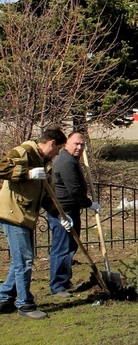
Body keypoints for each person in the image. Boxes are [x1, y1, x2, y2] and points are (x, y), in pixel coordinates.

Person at [0, 125, 68, 319]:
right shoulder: (25, 151)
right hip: (13, 213)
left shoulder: (44, 162)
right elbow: (2, 168)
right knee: (25, 260)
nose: (57, 155)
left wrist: (60, 215)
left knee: (20, 260)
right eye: (58, 149)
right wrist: (27, 173)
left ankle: (4, 298)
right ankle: (25, 304)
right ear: (52, 143)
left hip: (25, 214)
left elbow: (46, 196)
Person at [45, 132, 100, 298]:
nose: (79, 147)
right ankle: (57, 286)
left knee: (70, 247)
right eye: (76, 144)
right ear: (67, 143)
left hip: (70, 209)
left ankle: (64, 280)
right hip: (63, 212)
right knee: (62, 248)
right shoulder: (66, 162)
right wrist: (90, 204)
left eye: (82, 145)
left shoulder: (71, 160)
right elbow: (74, 190)